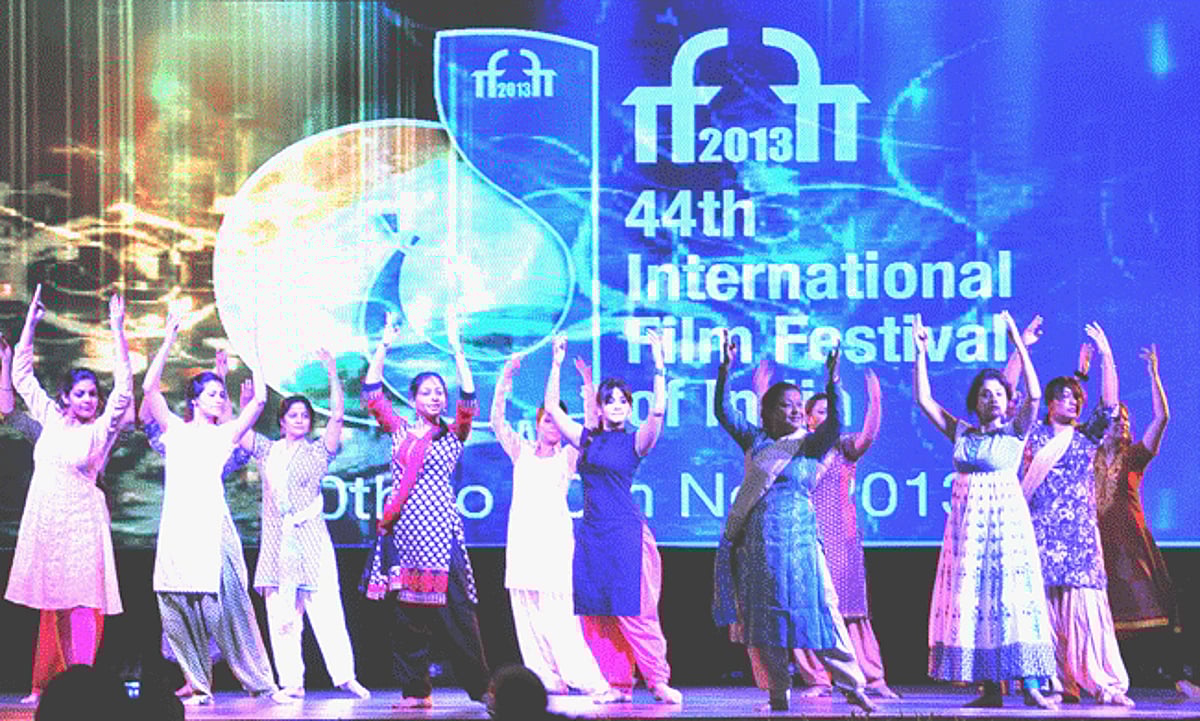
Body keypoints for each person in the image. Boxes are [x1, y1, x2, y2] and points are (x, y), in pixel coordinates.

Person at [712, 333, 876, 712]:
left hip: (802, 543)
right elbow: (723, 411)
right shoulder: (755, 440)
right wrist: (725, 370)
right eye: (785, 406)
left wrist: (833, 382)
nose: (795, 411)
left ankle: (853, 685)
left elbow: (836, 423)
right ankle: (778, 693)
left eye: (799, 406)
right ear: (766, 413)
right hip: (760, 546)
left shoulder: (809, 445)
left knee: (824, 613)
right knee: (767, 622)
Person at [912, 311, 1057, 708]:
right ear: (974, 402)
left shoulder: (1015, 431)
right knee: (977, 599)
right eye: (984, 394)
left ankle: (1031, 686)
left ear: (1007, 402)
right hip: (967, 530)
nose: (992, 399)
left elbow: (1034, 395)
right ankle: (990, 689)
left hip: (1006, 526)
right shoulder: (962, 432)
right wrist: (920, 352)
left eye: (998, 394)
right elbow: (924, 400)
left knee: (1012, 597)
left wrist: (1018, 344)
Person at [140, 309, 282, 706]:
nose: (220, 399)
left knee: (230, 611)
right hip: (178, 532)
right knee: (176, 607)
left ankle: (262, 682)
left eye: (222, 394)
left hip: (213, 529)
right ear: (194, 400)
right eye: (213, 394)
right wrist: (169, 339)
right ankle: (199, 685)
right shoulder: (174, 431)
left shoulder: (225, 435)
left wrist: (254, 350)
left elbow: (260, 400)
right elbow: (149, 389)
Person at [4, 285, 132, 705]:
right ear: (65, 397)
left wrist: (117, 330)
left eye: (93, 394)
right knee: (57, 606)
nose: (89, 400)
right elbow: (22, 377)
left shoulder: (99, 431)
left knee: (80, 605)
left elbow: (124, 393)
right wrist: (30, 324)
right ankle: (68, 688)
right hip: (48, 521)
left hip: (81, 524)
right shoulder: (51, 420)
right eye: (81, 393)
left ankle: (84, 689)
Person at [542, 331, 682, 704]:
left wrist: (659, 364)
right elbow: (552, 408)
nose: (617, 405)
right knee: (598, 613)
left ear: (629, 408)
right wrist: (556, 362)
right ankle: (617, 684)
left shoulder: (637, 441)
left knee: (636, 611)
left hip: (626, 534)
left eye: (623, 400)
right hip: (592, 536)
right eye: (610, 400)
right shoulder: (587, 439)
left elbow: (658, 412)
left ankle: (658, 681)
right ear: (600, 408)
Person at [358, 309, 489, 708]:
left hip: (440, 534)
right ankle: (417, 691)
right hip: (405, 535)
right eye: (427, 392)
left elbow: (469, 400)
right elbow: (372, 393)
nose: (435, 396)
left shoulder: (452, 433)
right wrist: (383, 345)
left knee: (459, 615)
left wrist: (458, 352)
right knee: (407, 619)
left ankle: (483, 689)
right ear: (414, 400)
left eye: (439, 392)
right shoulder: (399, 431)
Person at [749, 360, 898, 699]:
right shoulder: (797, 448)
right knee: (804, 608)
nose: (824, 415)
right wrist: (762, 392)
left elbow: (868, 435)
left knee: (851, 610)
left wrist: (875, 401)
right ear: (807, 418)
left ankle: (872, 678)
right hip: (804, 535)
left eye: (829, 410)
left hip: (842, 539)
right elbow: (767, 428)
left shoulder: (843, 446)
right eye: (817, 411)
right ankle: (818, 679)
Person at [241, 348, 370, 700]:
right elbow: (238, 431)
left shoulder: (317, 451)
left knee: (327, 608)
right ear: (282, 421)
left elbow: (338, 417)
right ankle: (292, 683)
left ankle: (345, 676)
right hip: (276, 542)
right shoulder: (267, 450)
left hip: (311, 539)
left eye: (304, 416)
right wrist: (245, 405)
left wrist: (332, 372)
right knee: (281, 615)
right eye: (292, 415)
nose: (299, 420)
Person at [490, 352, 619, 701]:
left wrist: (583, 383)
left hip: (554, 547)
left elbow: (591, 428)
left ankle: (593, 683)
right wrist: (505, 378)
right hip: (522, 545)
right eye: (546, 419)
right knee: (528, 618)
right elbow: (496, 420)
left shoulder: (567, 456)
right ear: (537, 423)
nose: (551, 424)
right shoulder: (521, 451)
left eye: (556, 420)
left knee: (559, 619)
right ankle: (547, 680)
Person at [1019, 321, 1133, 706]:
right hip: (1039, 533)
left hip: (1079, 538)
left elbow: (1109, 406)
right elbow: (1013, 395)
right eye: (1064, 397)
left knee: (1084, 610)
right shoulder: (1032, 435)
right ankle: (1051, 682)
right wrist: (1021, 347)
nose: (1071, 402)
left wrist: (1107, 356)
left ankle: (1102, 683)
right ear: (1050, 403)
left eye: (1075, 398)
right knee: (1043, 609)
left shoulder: (1084, 436)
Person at [1094, 344, 1198, 698]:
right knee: (1098, 614)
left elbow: (1162, 419)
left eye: (1126, 419)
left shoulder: (1135, 456)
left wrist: (1153, 375)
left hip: (1132, 545)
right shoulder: (1087, 455)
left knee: (1153, 608)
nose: (1123, 423)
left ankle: (1176, 677)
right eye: (1116, 419)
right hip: (1097, 547)